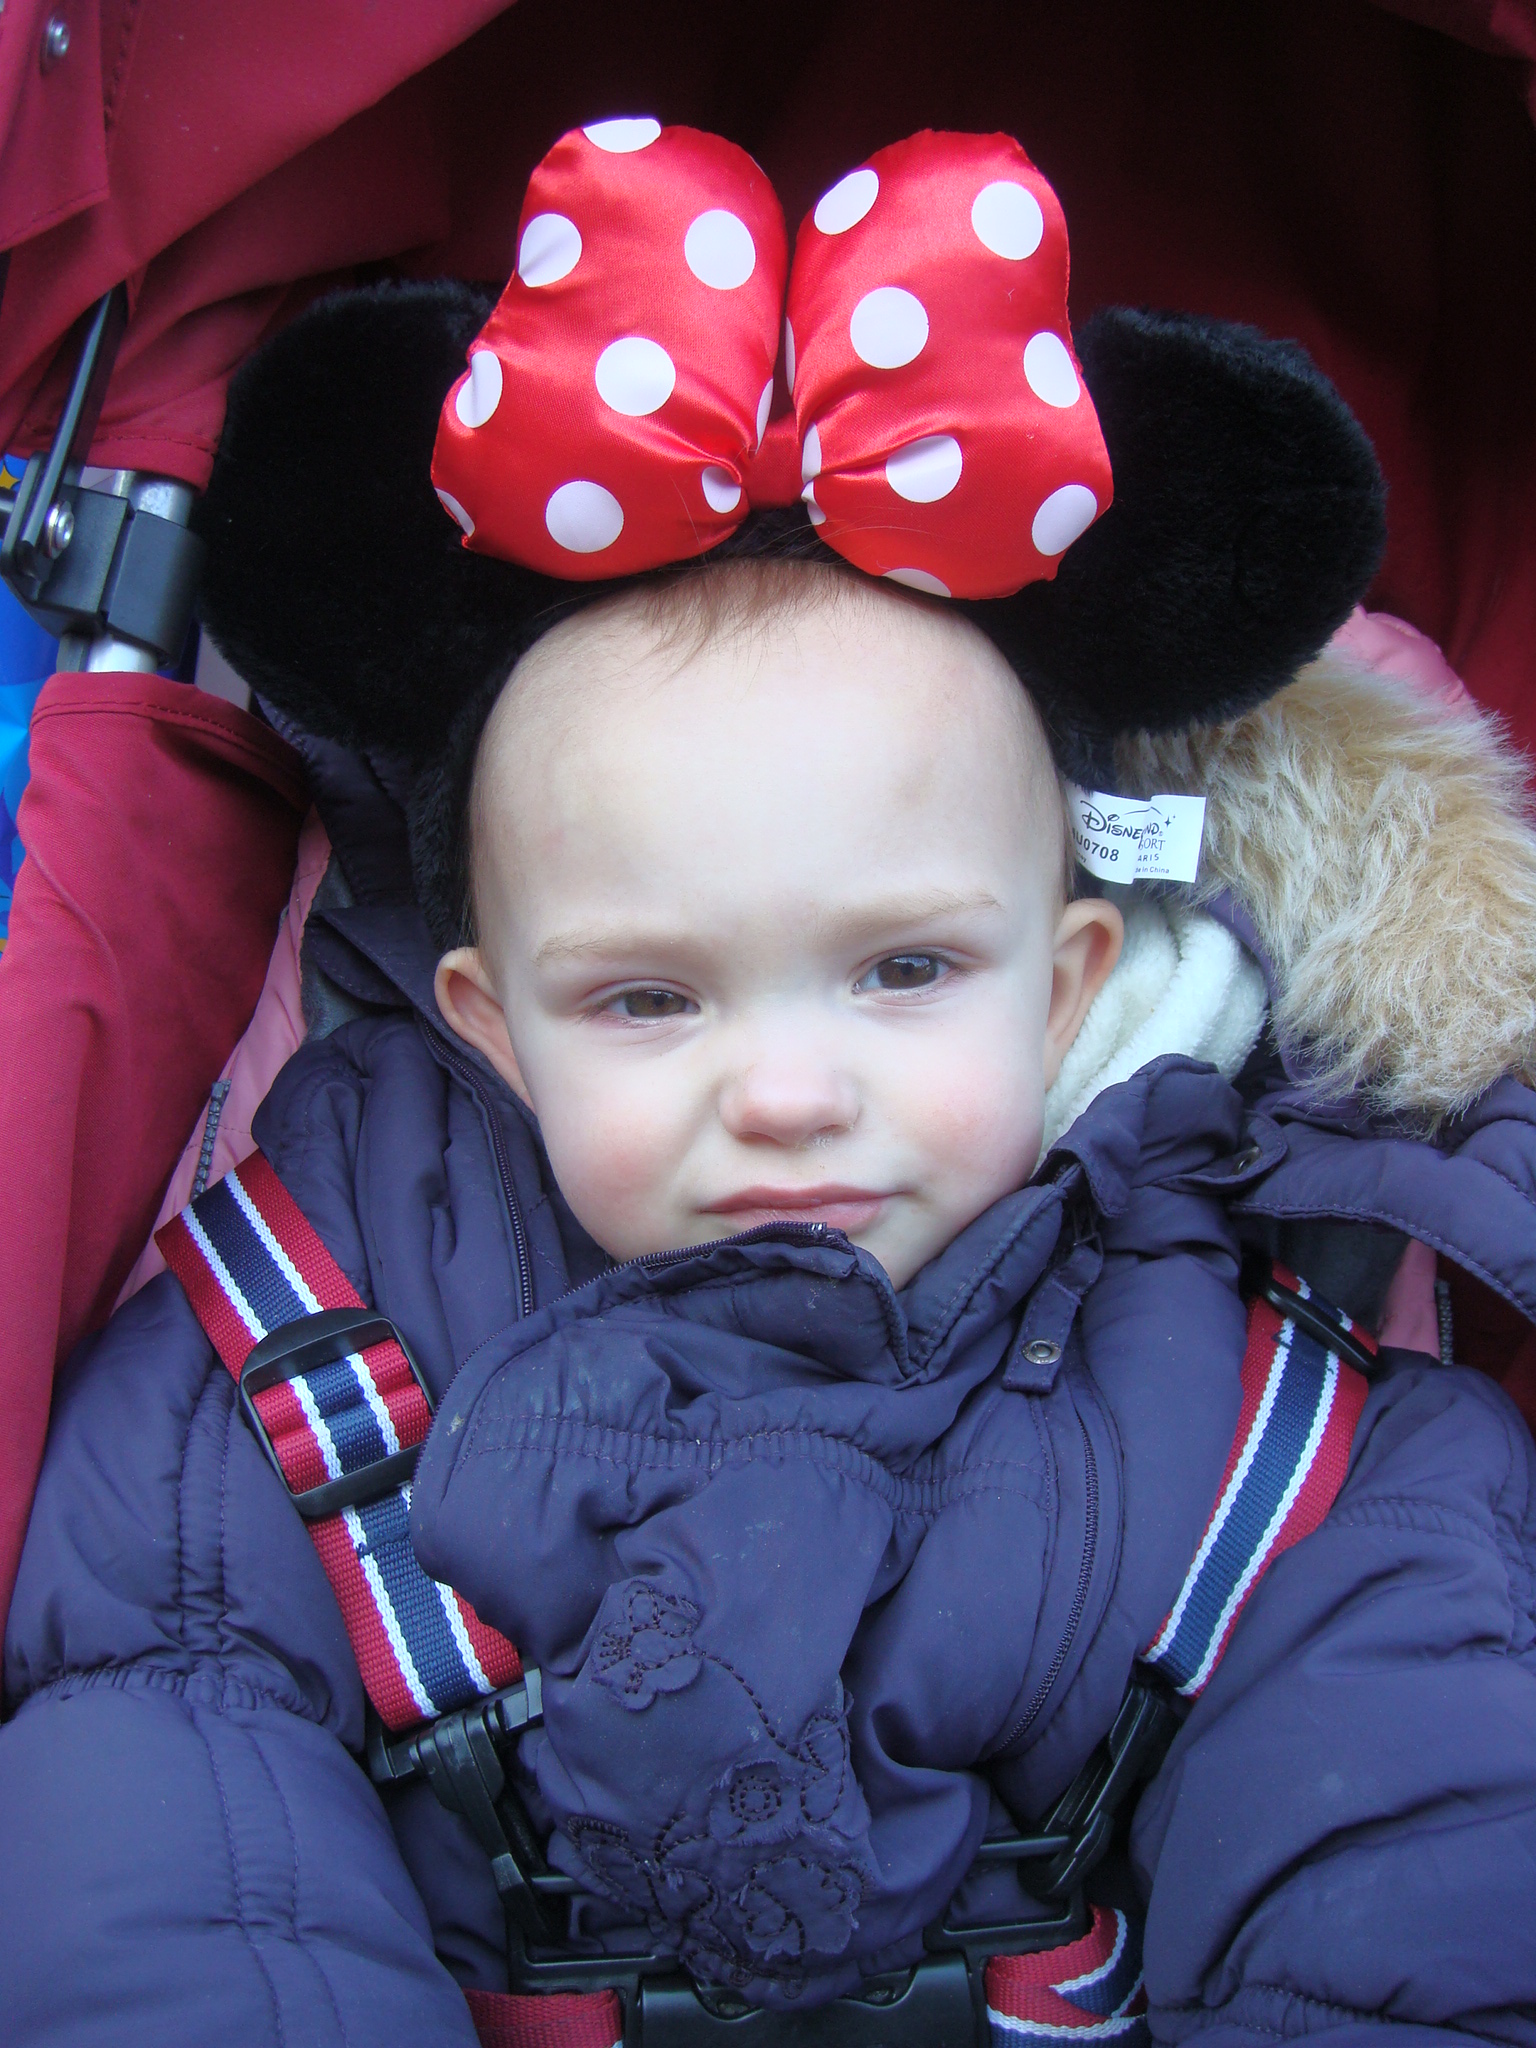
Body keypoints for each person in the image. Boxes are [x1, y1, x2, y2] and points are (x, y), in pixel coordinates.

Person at [5, 122, 1536, 2046]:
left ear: (1062, 991)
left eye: (904, 972)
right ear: (493, 1025)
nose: (792, 1093)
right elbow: (168, 1785)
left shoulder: (1243, 1406)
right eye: (651, 1001)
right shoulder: (287, 1349)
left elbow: (1408, 1826)